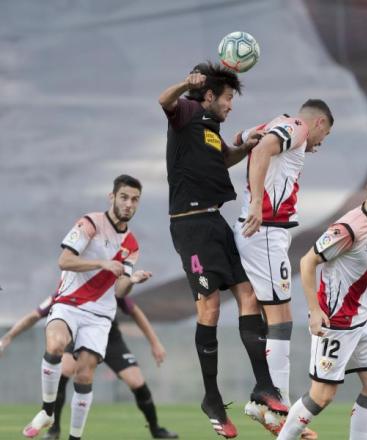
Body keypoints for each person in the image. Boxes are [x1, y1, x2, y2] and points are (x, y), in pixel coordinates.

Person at [158, 62, 286, 438]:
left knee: (249, 296)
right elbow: (162, 101)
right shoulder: (186, 111)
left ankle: (263, 387)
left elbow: (222, 159)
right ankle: (211, 398)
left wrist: (244, 149)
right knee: (210, 306)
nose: (231, 106)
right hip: (190, 225)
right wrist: (186, 83)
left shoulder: (212, 129)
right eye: (228, 98)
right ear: (209, 95)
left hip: (216, 222)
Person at [276, 162, 367, 440]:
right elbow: (307, 261)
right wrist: (314, 310)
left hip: (362, 319)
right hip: (335, 322)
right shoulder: (348, 228)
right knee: (322, 395)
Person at [22, 175, 152, 440]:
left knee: (84, 374)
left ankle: (74, 437)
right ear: (112, 197)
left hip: (100, 315)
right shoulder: (91, 222)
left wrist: (132, 281)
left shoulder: (132, 245)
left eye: (135, 199)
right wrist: (101, 264)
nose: (129, 204)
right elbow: (65, 260)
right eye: (124, 197)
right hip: (69, 303)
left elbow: (119, 290)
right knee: (56, 344)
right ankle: (48, 411)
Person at [233, 99, 333, 436]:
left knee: (267, 314)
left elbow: (241, 139)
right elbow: (260, 151)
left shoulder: (275, 124)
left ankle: (266, 399)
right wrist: (259, 204)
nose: (321, 142)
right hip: (265, 231)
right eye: (326, 134)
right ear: (319, 122)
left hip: (262, 231)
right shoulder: (299, 128)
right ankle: (278, 408)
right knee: (281, 320)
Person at [1, 294, 177, 439]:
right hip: (79, 337)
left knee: (137, 382)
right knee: (64, 371)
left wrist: (155, 343)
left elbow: (135, 311)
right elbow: (34, 315)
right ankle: (53, 429)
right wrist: (7, 337)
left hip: (110, 340)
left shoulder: (109, 285)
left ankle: (155, 429)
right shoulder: (66, 290)